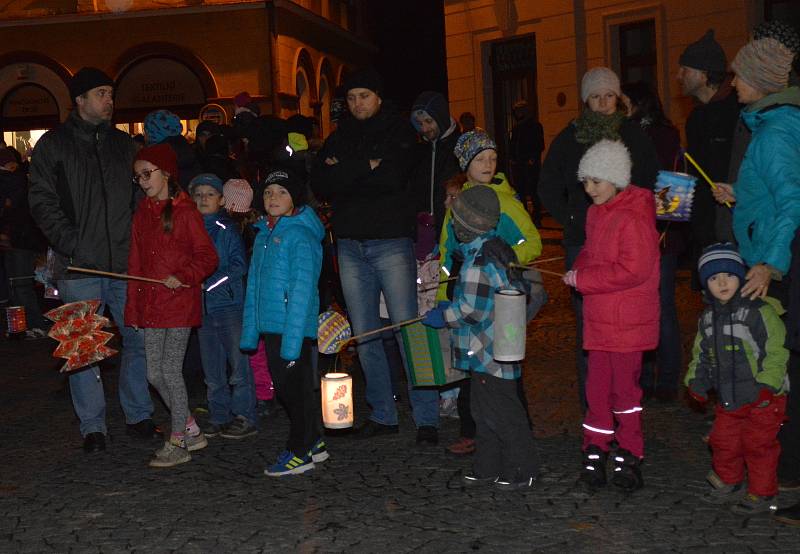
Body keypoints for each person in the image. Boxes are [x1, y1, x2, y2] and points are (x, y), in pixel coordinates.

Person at [28, 67, 159, 453]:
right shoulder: (54, 145)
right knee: (83, 347)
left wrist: (141, 244)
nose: (109, 99)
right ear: (80, 99)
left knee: (137, 338)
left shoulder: (125, 145)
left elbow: (143, 199)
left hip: (124, 263)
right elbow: (41, 200)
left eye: (111, 93)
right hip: (79, 265)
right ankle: (93, 425)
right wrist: (72, 242)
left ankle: (138, 412)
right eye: (101, 93)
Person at [311, 68, 440, 443]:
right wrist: (364, 169)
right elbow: (321, 182)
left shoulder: (399, 133)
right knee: (366, 334)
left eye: (363, 96)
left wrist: (347, 174)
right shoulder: (340, 137)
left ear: (378, 98)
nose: (357, 104)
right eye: (351, 98)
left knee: (406, 328)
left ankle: (426, 417)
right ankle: (383, 414)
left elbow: (393, 177)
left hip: (390, 241)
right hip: (350, 243)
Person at [709, 36, 800, 516]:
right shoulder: (769, 124)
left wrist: (769, 264)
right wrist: (737, 194)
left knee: (783, 367)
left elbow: (791, 202)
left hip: (777, 265)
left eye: (739, 75)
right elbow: (766, 191)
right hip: (769, 255)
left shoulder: (776, 133)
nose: (733, 82)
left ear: (762, 82)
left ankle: (785, 475)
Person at [539, 66, 659, 410]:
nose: (604, 103)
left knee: (627, 314)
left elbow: (650, 179)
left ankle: (628, 393)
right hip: (584, 239)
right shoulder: (570, 136)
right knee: (589, 324)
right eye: (596, 96)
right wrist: (571, 218)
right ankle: (593, 400)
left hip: (626, 236)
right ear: (585, 100)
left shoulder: (633, 134)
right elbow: (547, 185)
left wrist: (636, 217)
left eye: (609, 95)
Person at [424, 185, 539, 489]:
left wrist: (444, 316)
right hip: (490, 355)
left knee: (502, 414)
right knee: (483, 413)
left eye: (455, 221)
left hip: (488, 354)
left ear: (467, 226)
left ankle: (522, 468)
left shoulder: (478, 264)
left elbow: (471, 311)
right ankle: (488, 466)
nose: (451, 224)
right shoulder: (491, 252)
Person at [437, 131, 542, 455]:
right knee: (470, 361)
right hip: (464, 284)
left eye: (492, 158)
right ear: (465, 164)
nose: (488, 164)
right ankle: (474, 431)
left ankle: (517, 427)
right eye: (480, 159)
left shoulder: (505, 201)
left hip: (501, 292)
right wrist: (443, 290)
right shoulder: (458, 201)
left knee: (503, 361)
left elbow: (532, 242)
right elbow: (446, 248)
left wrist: (507, 257)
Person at [563, 140, 659, 492]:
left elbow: (633, 270)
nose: (589, 189)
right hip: (601, 322)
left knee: (625, 393)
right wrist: (578, 268)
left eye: (596, 182)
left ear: (616, 179)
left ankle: (629, 454)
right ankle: (595, 451)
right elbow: (592, 252)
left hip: (627, 326)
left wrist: (585, 280)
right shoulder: (595, 213)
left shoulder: (634, 217)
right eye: (585, 181)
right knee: (597, 390)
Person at [125, 144, 219, 468]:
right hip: (152, 306)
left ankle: (178, 441)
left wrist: (183, 276)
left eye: (147, 173)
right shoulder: (142, 213)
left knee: (169, 371)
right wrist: (133, 310)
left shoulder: (186, 212)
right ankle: (191, 428)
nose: (142, 180)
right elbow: (136, 264)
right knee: (154, 373)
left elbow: (207, 257)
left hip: (178, 305)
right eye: (138, 176)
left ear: (165, 172)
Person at [685, 243, 788, 514]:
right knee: (723, 440)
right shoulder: (708, 318)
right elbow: (701, 353)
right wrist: (697, 381)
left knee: (758, 446)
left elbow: (776, 351)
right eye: (713, 278)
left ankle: (763, 492)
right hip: (729, 399)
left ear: (740, 277)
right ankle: (730, 482)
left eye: (728, 276)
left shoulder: (759, 312)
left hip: (764, 398)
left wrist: (767, 385)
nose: (722, 283)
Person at [240, 169, 325, 476]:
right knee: (291, 388)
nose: (273, 198)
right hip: (272, 325)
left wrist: (292, 341)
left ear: (295, 199)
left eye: (281, 192)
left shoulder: (299, 236)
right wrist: (251, 330)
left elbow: (303, 289)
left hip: (291, 328)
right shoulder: (265, 234)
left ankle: (299, 451)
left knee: (293, 391)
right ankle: (314, 441)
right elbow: (254, 286)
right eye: (268, 193)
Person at [622, 81, 684, 402]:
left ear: (637, 103)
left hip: (656, 234)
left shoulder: (650, 136)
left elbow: (669, 186)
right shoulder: (655, 134)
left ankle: (664, 379)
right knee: (650, 307)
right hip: (650, 232)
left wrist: (660, 226)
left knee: (660, 308)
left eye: (625, 102)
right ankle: (652, 378)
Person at [188, 173, 257, 439]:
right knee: (212, 369)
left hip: (228, 306)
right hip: (202, 310)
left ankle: (244, 414)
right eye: (198, 194)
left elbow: (238, 266)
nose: (203, 199)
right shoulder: (190, 229)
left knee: (238, 366)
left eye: (210, 194)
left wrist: (208, 283)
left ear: (221, 199)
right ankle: (218, 415)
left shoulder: (226, 230)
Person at [677, 30, 741, 258]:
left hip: (734, 227)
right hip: (705, 231)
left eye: (685, 69)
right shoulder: (696, 118)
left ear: (704, 74)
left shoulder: (738, 112)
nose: (678, 75)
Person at [0, 147, 48, 338]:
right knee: (19, 284)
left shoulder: (10, 182)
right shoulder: (23, 180)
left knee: (18, 285)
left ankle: (30, 325)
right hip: (23, 239)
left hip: (18, 239)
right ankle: (22, 326)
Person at [409, 91, 461, 255]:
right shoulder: (419, 150)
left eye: (429, 121)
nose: (424, 128)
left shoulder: (459, 147)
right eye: (419, 123)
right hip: (425, 234)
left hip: (455, 231)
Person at [143, 109, 201, 190]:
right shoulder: (188, 149)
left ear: (152, 133)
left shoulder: (158, 157)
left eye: (145, 131)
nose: (144, 136)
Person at [508, 100, 545, 226]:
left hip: (530, 164)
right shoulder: (517, 127)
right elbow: (513, 145)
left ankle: (537, 217)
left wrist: (532, 159)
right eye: (516, 111)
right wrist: (512, 159)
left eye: (520, 111)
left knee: (533, 191)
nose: (517, 113)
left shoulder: (535, 126)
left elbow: (539, 145)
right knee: (521, 191)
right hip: (519, 164)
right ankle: (524, 215)